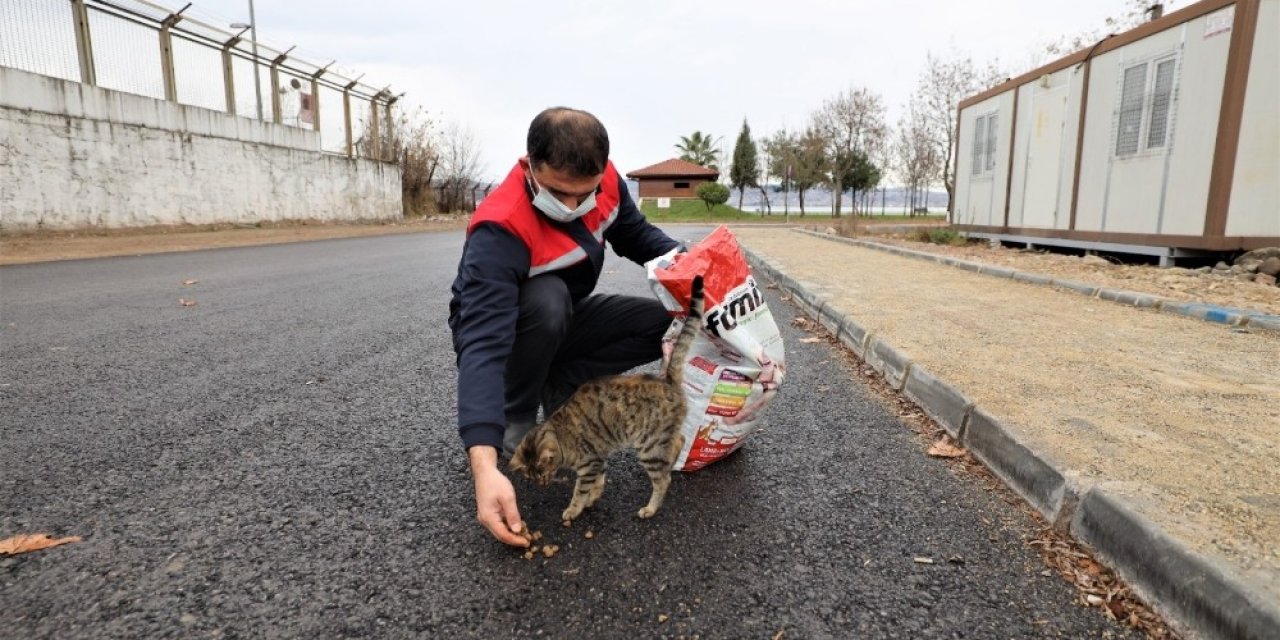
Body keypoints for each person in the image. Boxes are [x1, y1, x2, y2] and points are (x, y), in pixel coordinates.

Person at [448, 107, 683, 546]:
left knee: (668, 323)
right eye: (559, 193)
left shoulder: (606, 181)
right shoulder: (500, 228)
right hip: (512, 323)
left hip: (566, 317)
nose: (573, 207)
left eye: (584, 194)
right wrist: (483, 467)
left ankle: (562, 386)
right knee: (547, 298)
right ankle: (515, 417)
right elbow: (483, 345)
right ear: (529, 166)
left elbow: (635, 235)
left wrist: (692, 267)